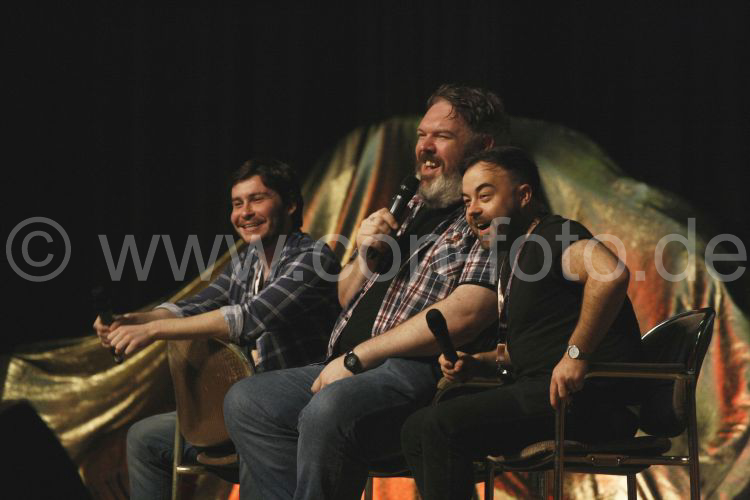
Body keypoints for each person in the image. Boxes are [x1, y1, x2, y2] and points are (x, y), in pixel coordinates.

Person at [223, 84, 509, 499]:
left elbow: (467, 314)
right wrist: (363, 255)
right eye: (421, 136)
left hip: (417, 370)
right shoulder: (411, 207)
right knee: (248, 401)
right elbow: (344, 298)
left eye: (442, 137)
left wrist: (358, 358)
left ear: (482, 145)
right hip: (346, 363)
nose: (425, 148)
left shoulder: (486, 215)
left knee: (330, 408)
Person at [400, 146, 643, 500]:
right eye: (466, 201)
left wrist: (576, 354)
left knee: (440, 426)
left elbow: (610, 276)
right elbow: (538, 347)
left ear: (524, 195)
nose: (473, 210)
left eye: (485, 196)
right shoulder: (515, 256)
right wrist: (478, 362)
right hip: (545, 393)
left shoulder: (554, 235)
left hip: (591, 402)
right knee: (415, 428)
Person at [93, 158, 341, 500]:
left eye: (257, 199)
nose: (245, 212)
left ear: (291, 204)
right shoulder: (247, 264)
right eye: (237, 204)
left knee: (254, 427)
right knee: (145, 438)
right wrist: (134, 321)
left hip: (296, 412)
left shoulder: (314, 259)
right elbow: (191, 306)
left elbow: (248, 318)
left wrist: (154, 332)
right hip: (245, 409)